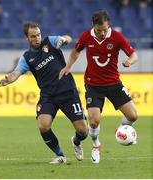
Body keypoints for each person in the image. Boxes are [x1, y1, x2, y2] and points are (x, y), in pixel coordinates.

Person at [0, 22, 88, 164]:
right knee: (43, 125)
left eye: (38, 35)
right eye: (33, 36)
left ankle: (76, 141)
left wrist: (63, 40)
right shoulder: (27, 58)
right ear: (26, 38)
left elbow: (68, 38)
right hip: (48, 96)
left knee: (83, 131)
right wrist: (9, 79)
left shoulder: (50, 42)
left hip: (67, 92)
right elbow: (17, 72)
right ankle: (60, 155)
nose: (37, 38)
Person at [59, 10, 138, 164]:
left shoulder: (116, 36)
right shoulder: (86, 36)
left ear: (109, 26)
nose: (102, 33)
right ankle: (96, 145)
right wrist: (68, 66)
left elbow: (134, 55)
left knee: (133, 116)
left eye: (105, 30)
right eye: (99, 30)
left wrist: (129, 61)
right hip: (93, 84)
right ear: (93, 26)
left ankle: (121, 130)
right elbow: (76, 51)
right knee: (94, 122)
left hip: (114, 83)